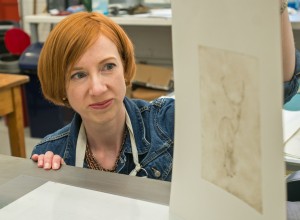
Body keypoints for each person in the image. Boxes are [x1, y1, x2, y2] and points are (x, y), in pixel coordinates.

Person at [31, 1, 299, 182]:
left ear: (125, 68)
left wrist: (276, 7)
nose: (98, 88)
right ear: (62, 87)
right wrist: (49, 184)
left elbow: (272, 92)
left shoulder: (168, 122)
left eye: (108, 67)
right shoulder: (53, 152)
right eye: (78, 75)